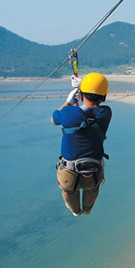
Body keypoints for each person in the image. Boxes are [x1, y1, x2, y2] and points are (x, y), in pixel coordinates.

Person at [51, 73, 112, 216]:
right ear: (103, 96)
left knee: (69, 192)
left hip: (69, 174)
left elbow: (54, 119)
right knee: (92, 190)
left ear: (81, 94)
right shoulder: (106, 113)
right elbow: (90, 106)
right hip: (93, 173)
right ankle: (87, 209)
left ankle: (76, 211)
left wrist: (69, 100)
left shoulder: (68, 113)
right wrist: (82, 89)